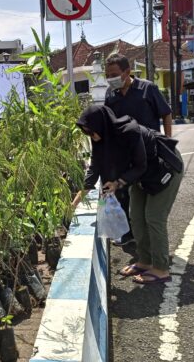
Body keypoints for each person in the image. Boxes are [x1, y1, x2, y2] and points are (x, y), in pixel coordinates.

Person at [72, 105, 183, 285]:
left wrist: (118, 183)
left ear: (102, 125)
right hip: (140, 176)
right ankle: (145, 261)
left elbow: (140, 165)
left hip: (164, 169)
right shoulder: (101, 138)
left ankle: (161, 269)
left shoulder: (129, 131)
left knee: (154, 218)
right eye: (88, 134)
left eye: (92, 132)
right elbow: (94, 169)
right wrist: (74, 204)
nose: (93, 137)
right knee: (136, 217)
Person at [104, 53, 172, 247]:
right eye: (108, 74)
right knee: (123, 193)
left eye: (114, 74)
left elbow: (166, 114)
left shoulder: (147, 88)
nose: (111, 78)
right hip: (126, 154)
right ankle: (129, 234)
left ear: (127, 72)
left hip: (151, 152)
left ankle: (152, 239)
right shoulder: (111, 94)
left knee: (150, 193)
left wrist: (167, 142)